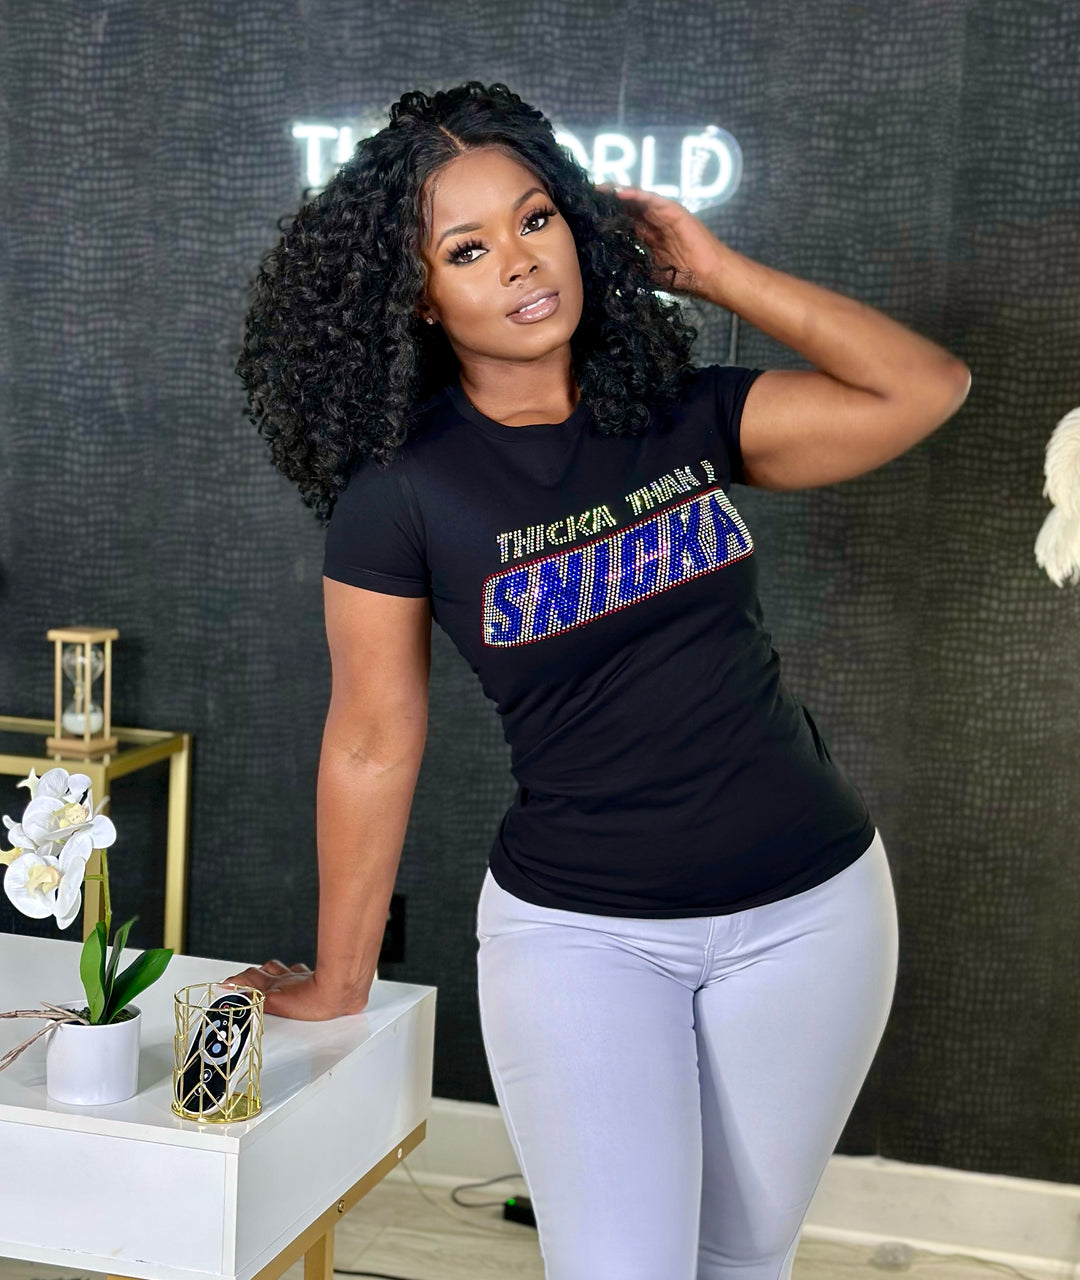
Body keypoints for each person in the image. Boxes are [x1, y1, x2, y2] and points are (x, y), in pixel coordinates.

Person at [229, 81, 969, 1280]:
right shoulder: (403, 494)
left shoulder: (683, 414)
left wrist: (715, 271)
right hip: (585, 937)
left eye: (536, 220)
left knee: (743, 1259)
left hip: (815, 912)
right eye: (468, 248)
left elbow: (922, 388)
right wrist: (341, 977)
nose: (521, 261)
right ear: (419, 295)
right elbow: (371, 738)